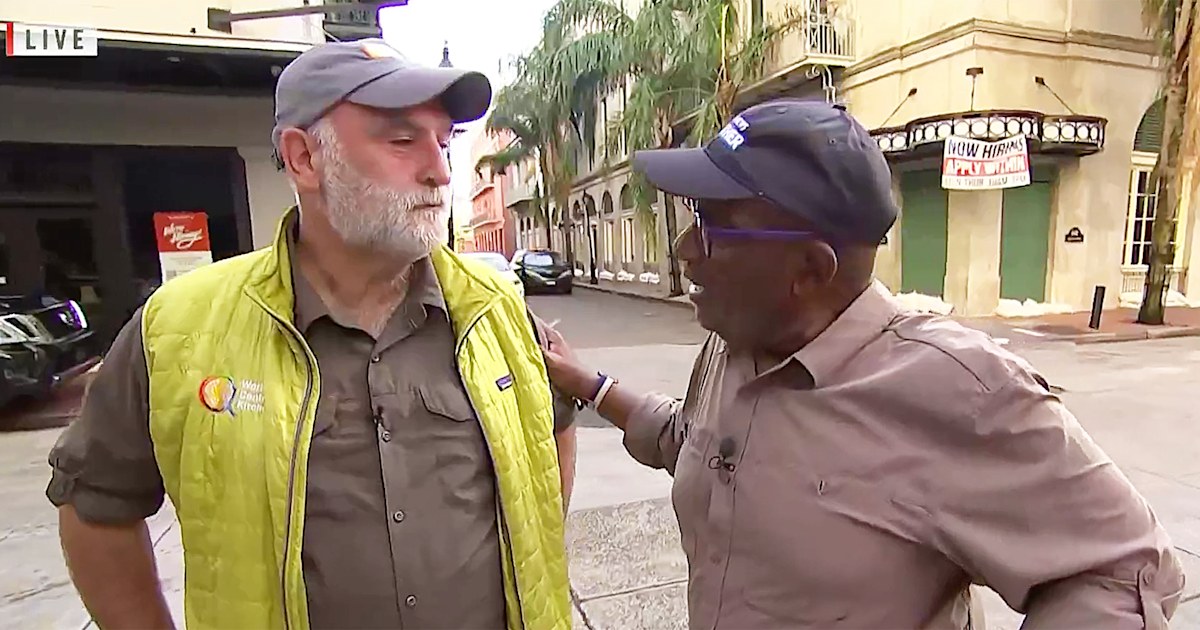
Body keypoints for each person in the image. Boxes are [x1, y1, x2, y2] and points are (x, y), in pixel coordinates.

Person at [540, 98, 1186, 629]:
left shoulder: (959, 389)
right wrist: (589, 385)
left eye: (711, 226)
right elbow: (689, 440)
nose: (684, 250)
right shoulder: (731, 344)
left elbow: (1125, 570)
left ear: (810, 269)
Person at [46, 38, 576, 630]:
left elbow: (551, 433)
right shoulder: (177, 327)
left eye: (444, 141)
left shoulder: (496, 308)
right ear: (303, 158)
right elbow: (96, 505)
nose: (439, 169)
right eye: (403, 140)